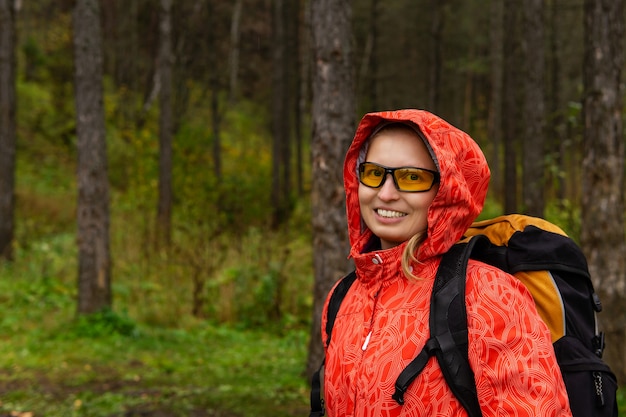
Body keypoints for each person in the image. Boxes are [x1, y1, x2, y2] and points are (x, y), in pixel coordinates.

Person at [321, 109, 572, 417]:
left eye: (412, 178)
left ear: (447, 192)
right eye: (374, 174)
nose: (385, 194)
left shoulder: (488, 295)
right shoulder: (342, 296)